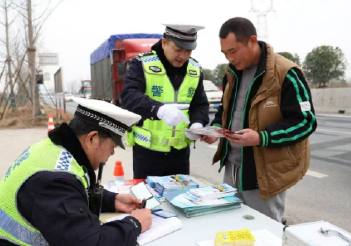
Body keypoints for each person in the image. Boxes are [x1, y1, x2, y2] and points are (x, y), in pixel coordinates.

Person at [0, 98, 153, 246]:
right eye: (112, 147)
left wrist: (112, 200)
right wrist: (134, 224)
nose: (111, 155)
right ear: (91, 138)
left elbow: (68, 197)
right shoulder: (54, 182)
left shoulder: (52, 151)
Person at [204, 17, 317, 222]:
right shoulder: (231, 73)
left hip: (264, 172)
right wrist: (216, 128)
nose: (229, 58)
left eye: (233, 51)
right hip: (232, 168)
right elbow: (225, 109)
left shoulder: (285, 73)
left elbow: (306, 122)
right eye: (225, 53)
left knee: (265, 234)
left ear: (252, 41)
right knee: (232, 228)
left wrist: (262, 137)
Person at [121, 24, 210, 179]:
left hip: (180, 156)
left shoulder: (195, 70)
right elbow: (129, 95)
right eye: (178, 49)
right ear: (164, 43)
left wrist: (197, 123)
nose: (183, 56)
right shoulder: (142, 64)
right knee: (148, 201)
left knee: (179, 200)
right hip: (147, 155)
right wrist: (158, 109)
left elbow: (200, 104)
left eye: (188, 51)